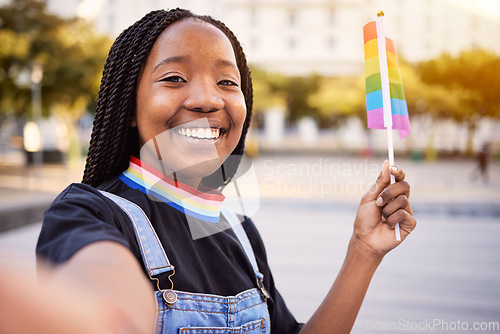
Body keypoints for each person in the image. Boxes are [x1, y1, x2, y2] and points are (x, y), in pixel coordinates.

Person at [7, 8, 415, 333]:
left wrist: (363, 252)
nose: (206, 99)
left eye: (226, 81)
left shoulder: (237, 228)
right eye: (174, 78)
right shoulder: (87, 213)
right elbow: (102, 306)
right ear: (129, 107)